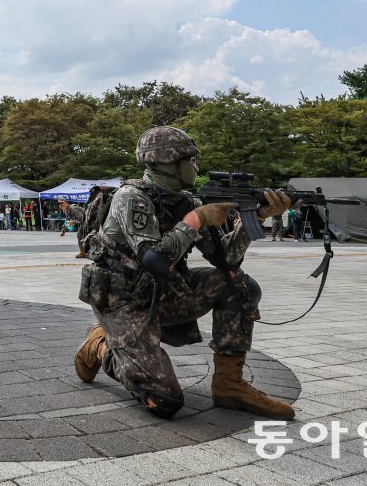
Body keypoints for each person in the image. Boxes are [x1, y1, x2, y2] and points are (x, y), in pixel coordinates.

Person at [74, 125, 296, 421]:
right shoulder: (132, 197)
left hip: (162, 290)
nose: (196, 165)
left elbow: (226, 259)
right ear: (168, 161)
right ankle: (101, 345)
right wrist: (195, 220)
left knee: (238, 285)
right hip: (123, 299)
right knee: (164, 400)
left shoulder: (185, 201)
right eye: (190, 159)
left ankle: (229, 384)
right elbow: (154, 259)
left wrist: (254, 219)